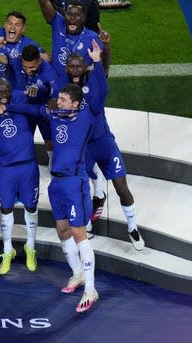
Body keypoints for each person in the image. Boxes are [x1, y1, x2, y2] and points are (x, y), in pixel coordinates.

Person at [0, 83, 99, 313]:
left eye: (63, 99)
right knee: (62, 231)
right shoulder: (54, 115)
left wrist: (99, 63)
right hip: (56, 183)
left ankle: (91, 289)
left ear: (74, 103)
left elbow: (94, 99)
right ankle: (77, 275)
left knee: (79, 234)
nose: (58, 102)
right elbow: (31, 110)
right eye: (58, 98)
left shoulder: (85, 118)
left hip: (74, 182)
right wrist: (6, 106)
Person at [55, 44, 145, 250]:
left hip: (104, 143)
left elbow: (104, 87)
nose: (76, 69)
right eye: (72, 66)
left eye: (79, 66)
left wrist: (98, 58)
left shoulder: (94, 81)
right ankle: (85, 222)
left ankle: (132, 226)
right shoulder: (63, 88)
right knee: (82, 187)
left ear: (84, 66)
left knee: (121, 186)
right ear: (67, 68)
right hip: (83, 148)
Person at [0, 11, 50, 199]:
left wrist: (29, 59)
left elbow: (45, 57)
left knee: (17, 141)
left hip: (11, 102)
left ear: (23, 28)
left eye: (17, 24)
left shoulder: (28, 44)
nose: (12, 27)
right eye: (9, 23)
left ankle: (19, 184)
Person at [0, 78, 39, 274]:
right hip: (6, 169)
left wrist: (11, 107)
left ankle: (30, 247)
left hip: (28, 166)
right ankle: (7, 250)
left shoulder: (21, 101)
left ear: (12, 90)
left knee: (31, 206)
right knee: (6, 208)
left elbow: (39, 104)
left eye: (6, 90)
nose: (3, 93)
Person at [33, 0, 110, 78]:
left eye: (77, 15)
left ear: (84, 18)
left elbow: (103, 70)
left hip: (78, 88)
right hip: (57, 85)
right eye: (69, 14)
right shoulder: (58, 23)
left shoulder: (92, 38)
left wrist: (106, 45)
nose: (72, 18)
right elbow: (43, 1)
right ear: (65, 15)